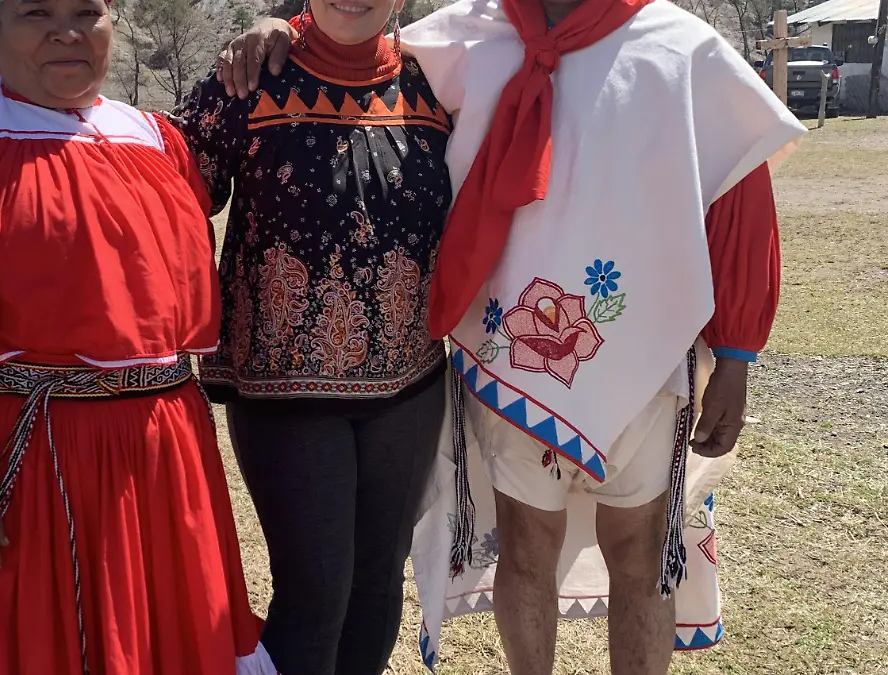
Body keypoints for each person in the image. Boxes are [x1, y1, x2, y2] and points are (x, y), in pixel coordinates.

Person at [216, 0, 807, 673]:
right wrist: (281, 32)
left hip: (642, 364)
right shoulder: (468, 36)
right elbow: (353, 40)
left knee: (639, 554)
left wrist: (736, 351)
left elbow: (738, 197)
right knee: (525, 546)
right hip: (510, 358)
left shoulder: (682, 48)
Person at [0, 0, 277, 672]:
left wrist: (283, 26)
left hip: (164, 453)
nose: (65, 30)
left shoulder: (158, 141)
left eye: (86, 10)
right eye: (35, 12)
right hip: (38, 461)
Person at [164, 1, 453, 673]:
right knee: (316, 595)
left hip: (410, 387)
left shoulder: (438, 80)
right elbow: (167, 187)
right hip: (283, 390)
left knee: (378, 591)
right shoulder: (250, 76)